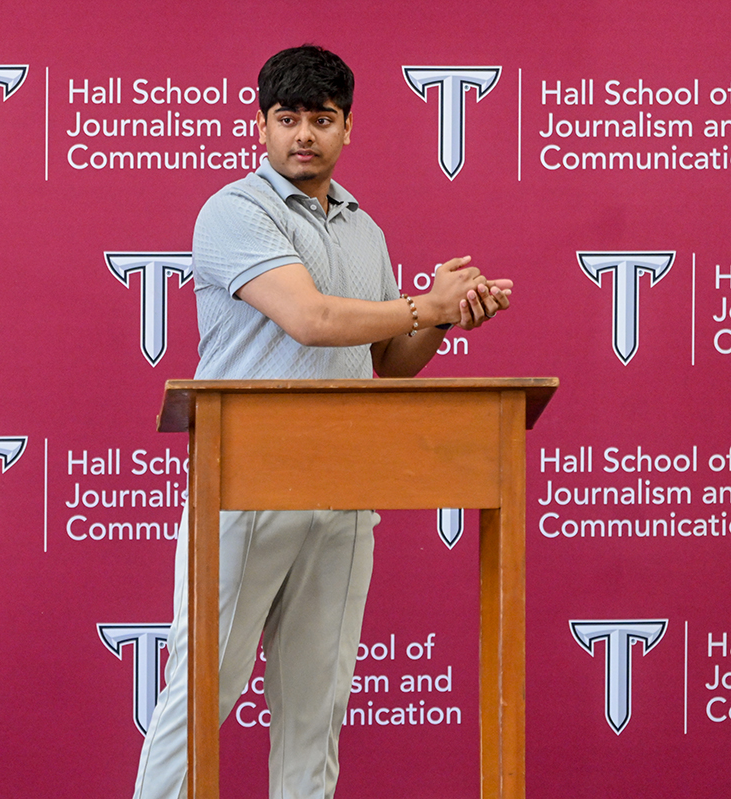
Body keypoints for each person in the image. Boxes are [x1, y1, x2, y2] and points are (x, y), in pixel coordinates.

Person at [133, 45, 511, 799]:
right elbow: (310, 319)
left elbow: (384, 364)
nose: (304, 134)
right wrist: (422, 305)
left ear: (347, 128)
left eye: (322, 118)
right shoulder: (235, 210)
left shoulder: (364, 230)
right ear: (261, 126)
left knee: (316, 711)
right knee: (202, 692)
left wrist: (445, 318)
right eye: (288, 119)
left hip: (344, 490)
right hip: (243, 485)